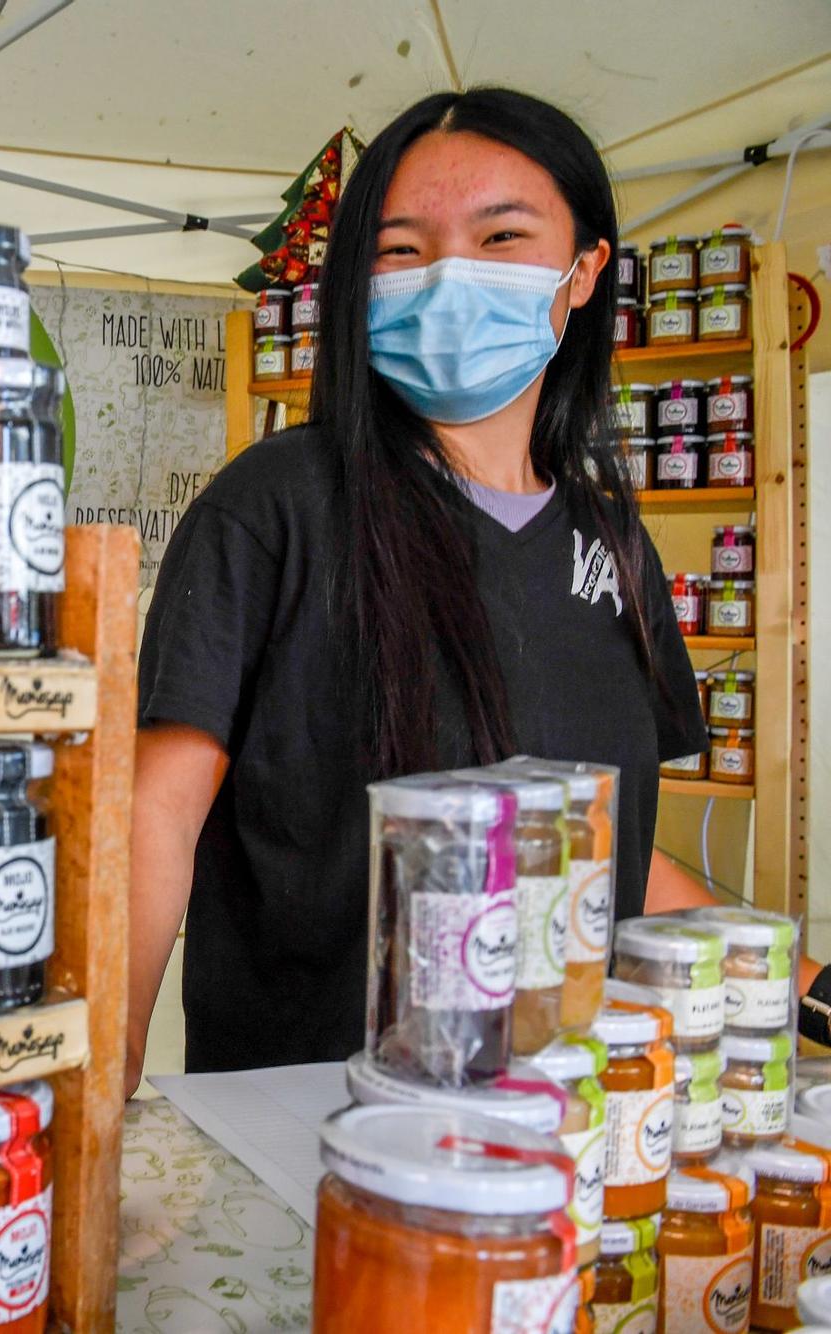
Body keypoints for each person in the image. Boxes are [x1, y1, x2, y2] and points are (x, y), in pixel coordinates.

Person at [125, 86, 803, 1093]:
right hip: (310, 1124)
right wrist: (102, 1090)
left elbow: (612, 858)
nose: (447, 278)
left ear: (581, 276)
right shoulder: (272, 507)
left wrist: (796, 977)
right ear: (356, 282)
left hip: (565, 1123)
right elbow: (153, 821)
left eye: (499, 236)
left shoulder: (609, 541)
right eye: (401, 249)